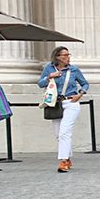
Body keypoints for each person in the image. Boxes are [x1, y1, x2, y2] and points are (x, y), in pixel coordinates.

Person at [38, 46, 89, 174]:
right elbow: (40, 83)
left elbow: (85, 83)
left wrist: (80, 94)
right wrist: (49, 77)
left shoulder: (74, 69)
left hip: (71, 102)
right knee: (58, 134)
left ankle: (64, 160)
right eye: (64, 55)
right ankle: (68, 157)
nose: (68, 57)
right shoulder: (49, 68)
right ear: (57, 57)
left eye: (68, 55)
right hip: (55, 103)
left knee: (64, 132)